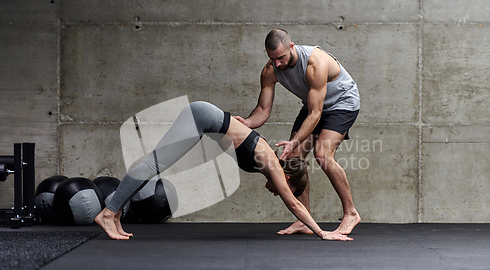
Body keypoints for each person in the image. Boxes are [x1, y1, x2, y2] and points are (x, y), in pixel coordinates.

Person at [95, 101, 352, 241]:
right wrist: (322, 233)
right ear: (285, 177)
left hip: (207, 119)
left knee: (155, 164)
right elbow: (294, 204)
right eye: (283, 188)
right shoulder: (272, 165)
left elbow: (292, 196)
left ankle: (115, 212)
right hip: (201, 117)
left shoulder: (271, 162)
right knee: (154, 164)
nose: (278, 193)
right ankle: (108, 212)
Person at [234, 29, 361, 236]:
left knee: (323, 155)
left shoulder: (315, 63)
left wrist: (295, 140)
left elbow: (316, 113)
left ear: (291, 46)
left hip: (342, 103)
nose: (277, 64)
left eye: (281, 57)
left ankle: (351, 213)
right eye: (272, 58)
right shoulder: (271, 70)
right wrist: (246, 123)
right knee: (294, 158)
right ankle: (304, 220)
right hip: (313, 106)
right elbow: (263, 110)